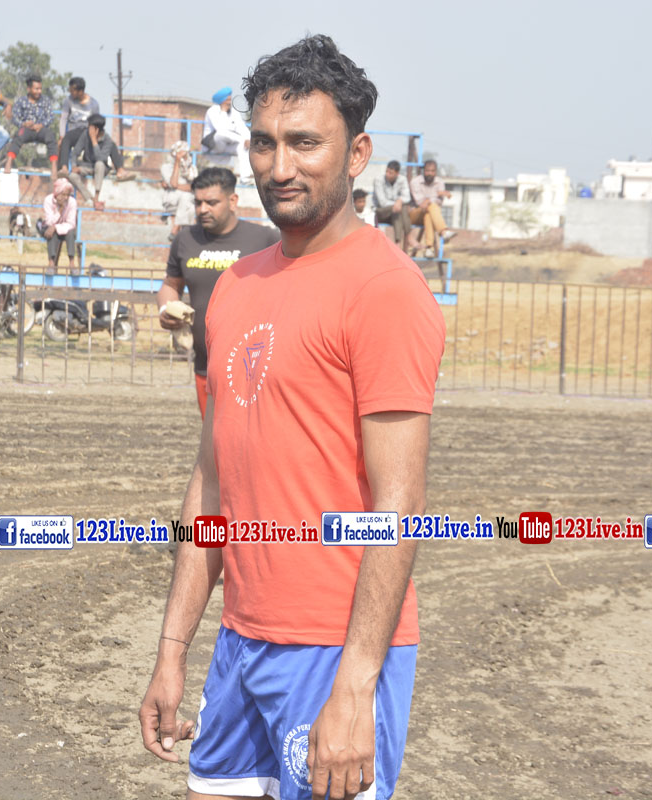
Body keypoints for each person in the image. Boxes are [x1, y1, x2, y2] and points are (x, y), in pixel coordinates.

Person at [139, 34, 445, 800]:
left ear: (357, 153)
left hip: (333, 651)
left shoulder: (383, 290)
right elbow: (212, 482)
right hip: (241, 642)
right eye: (265, 142)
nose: (280, 166)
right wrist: (173, 649)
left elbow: (399, 502)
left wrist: (355, 685)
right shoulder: (236, 285)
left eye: (305, 143)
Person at [156, 167, 280, 417]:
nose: (202, 209)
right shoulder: (185, 240)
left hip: (257, 371)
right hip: (206, 367)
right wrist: (165, 309)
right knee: (213, 439)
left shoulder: (266, 239)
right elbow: (171, 284)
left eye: (211, 203)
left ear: (233, 201)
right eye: (198, 203)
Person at [66, 113, 132, 211]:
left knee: (99, 164)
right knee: (71, 175)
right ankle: (91, 199)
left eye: (90, 126)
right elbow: (75, 152)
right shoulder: (85, 134)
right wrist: (74, 166)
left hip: (101, 168)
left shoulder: (107, 140)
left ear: (96, 129)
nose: (88, 128)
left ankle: (97, 196)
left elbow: (100, 158)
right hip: (87, 166)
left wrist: (94, 140)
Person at [3, 75, 58, 181]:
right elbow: (14, 117)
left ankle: (54, 167)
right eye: (36, 89)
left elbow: (50, 117)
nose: (39, 91)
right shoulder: (21, 101)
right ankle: (9, 162)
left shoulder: (45, 100)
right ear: (29, 89)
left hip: (41, 129)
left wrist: (41, 125)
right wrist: (23, 124)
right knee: (18, 136)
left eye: (40, 89)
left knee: (51, 136)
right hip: (26, 129)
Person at [409, 159, 457, 258]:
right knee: (431, 207)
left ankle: (429, 248)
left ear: (435, 171)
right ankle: (443, 232)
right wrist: (436, 195)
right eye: (427, 171)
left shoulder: (440, 182)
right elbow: (421, 203)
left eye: (432, 171)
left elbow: (439, 203)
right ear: (424, 171)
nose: (430, 173)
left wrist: (429, 200)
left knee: (429, 213)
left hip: (429, 213)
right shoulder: (415, 182)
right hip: (415, 214)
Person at [201, 87, 252, 181]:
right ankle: (242, 140)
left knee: (243, 147)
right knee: (220, 133)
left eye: (230, 99)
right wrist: (224, 112)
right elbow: (220, 129)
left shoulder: (234, 112)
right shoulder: (212, 111)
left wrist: (248, 139)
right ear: (222, 100)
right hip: (214, 145)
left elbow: (241, 127)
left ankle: (245, 178)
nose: (229, 102)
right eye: (227, 100)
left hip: (227, 145)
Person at [57, 77, 101, 173]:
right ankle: (63, 168)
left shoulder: (94, 104)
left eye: (72, 91)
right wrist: (61, 136)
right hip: (74, 131)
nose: (70, 92)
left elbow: (96, 123)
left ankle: (88, 169)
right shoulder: (68, 101)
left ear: (80, 91)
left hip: (87, 132)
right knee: (65, 140)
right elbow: (63, 119)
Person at [372, 160, 414, 252]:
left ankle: (398, 243)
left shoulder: (402, 180)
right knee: (400, 208)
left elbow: (407, 197)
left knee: (398, 210)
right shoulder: (379, 180)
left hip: (395, 213)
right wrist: (397, 203)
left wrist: (399, 201)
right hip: (380, 211)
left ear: (397, 173)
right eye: (387, 171)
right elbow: (382, 202)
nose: (387, 174)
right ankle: (408, 236)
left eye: (390, 173)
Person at [160, 141, 198, 239]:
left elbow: (193, 187)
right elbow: (173, 182)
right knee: (188, 198)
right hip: (172, 200)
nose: (185, 157)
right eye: (181, 154)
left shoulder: (192, 169)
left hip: (186, 201)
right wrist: (177, 162)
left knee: (187, 200)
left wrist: (175, 186)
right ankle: (177, 230)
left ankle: (176, 229)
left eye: (186, 154)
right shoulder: (166, 167)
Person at [40, 177, 78, 270]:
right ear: (57, 193)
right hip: (50, 229)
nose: (66, 197)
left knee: (71, 232)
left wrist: (55, 227)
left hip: (65, 229)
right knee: (51, 233)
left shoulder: (72, 202)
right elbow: (49, 222)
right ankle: (51, 263)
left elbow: (71, 223)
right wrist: (60, 210)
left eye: (67, 195)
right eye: (63, 194)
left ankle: (72, 263)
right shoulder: (48, 200)